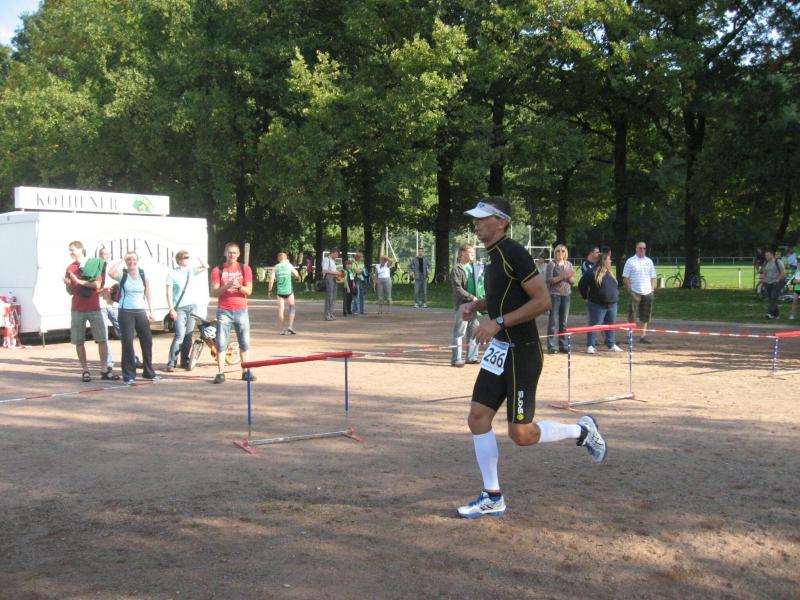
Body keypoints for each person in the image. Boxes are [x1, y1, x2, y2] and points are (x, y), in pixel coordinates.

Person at [456, 197, 607, 519]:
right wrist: (478, 305)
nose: (476, 223)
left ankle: (581, 431)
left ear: (501, 222)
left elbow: (542, 302)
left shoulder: (514, 253)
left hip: (522, 353)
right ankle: (492, 496)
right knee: (477, 418)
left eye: (482, 218)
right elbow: (506, 298)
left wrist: (497, 323)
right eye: (475, 218)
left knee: (521, 435)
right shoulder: (494, 255)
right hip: (500, 351)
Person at [64, 241, 117, 382]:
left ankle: (104, 370)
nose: (70, 252)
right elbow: (70, 291)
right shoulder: (70, 267)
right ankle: (85, 370)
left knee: (102, 339)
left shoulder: (93, 264)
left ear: (81, 250)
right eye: (70, 250)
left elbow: (97, 285)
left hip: (93, 306)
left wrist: (78, 281)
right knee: (79, 340)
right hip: (77, 308)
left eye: (72, 250)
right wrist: (68, 284)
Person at [108, 252, 158, 385]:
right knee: (128, 343)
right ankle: (129, 375)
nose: (131, 262)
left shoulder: (143, 273)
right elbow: (111, 272)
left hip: (140, 311)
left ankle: (148, 372)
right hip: (125, 311)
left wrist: (152, 311)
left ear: (137, 260)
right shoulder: (123, 274)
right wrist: (121, 259)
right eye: (129, 260)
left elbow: (148, 293)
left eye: (134, 259)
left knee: (147, 341)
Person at [210, 242, 254, 383]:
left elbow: (249, 291)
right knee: (221, 342)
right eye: (229, 252)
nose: (232, 255)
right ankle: (220, 373)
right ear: (225, 253)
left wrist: (239, 287)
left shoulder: (245, 269)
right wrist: (227, 286)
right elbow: (214, 292)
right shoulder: (218, 270)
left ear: (238, 254)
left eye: (234, 252)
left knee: (244, 342)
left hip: (241, 310)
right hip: (224, 310)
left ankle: (246, 371)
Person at [165, 250, 209, 371]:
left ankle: (185, 360)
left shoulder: (191, 271)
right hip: (180, 308)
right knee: (179, 335)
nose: (187, 259)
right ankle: (171, 362)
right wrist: (171, 309)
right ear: (179, 260)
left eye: (188, 257)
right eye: (185, 257)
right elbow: (168, 293)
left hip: (192, 307)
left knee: (188, 335)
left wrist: (197, 256)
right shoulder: (172, 274)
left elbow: (206, 266)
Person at [579, 250, 623, 353]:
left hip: (612, 305)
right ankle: (591, 345)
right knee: (594, 324)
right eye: (609, 259)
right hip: (597, 305)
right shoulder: (592, 272)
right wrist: (585, 297)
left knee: (611, 325)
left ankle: (611, 344)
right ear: (603, 261)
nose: (611, 261)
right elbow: (581, 285)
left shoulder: (609, 272)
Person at [451, 244, 480, 367]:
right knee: (459, 333)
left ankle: (471, 357)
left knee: (474, 331)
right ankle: (456, 359)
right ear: (462, 253)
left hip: (476, 304)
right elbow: (458, 289)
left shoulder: (476, 267)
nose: (473, 254)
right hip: (463, 305)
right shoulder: (456, 269)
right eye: (470, 252)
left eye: (473, 252)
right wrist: (472, 297)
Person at [622, 241, 657, 344]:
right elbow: (625, 277)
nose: (642, 250)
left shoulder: (649, 261)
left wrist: (652, 289)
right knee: (631, 315)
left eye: (644, 248)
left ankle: (643, 336)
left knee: (645, 315)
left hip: (647, 292)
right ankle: (629, 336)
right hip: (635, 291)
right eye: (640, 248)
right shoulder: (630, 261)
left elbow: (653, 277)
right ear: (636, 249)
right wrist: (630, 291)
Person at [545, 244, 575, 354]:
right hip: (555, 295)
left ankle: (563, 345)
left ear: (565, 253)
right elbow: (549, 280)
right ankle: (551, 346)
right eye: (558, 251)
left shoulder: (569, 264)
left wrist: (570, 277)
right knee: (553, 321)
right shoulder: (551, 264)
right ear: (555, 252)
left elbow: (572, 282)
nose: (560, 253)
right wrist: (562, 276)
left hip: (566, 295)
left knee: (564, 321)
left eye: (563, 251)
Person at [97, 246, 121, 372]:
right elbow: (91, 287)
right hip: (100, 305)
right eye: (103, 254)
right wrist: (102, 290)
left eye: (108, 254)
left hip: (114, 305)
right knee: (104, 335)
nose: (106, 256)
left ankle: (131, 358)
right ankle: (109, 361)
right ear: (99, 255)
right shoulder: (96, 268)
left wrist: (115, 290)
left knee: (124, 332)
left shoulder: (114, 268)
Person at [268, 252, 299, 334]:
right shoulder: (289, 266)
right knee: (292, 308)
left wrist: (270, 291)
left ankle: (282, 330)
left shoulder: (276, 267)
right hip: (289, 291)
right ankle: (290, 326)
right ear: (286, 258)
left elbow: (271, 280)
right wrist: (291, 267)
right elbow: (297, 275)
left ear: (278, 259)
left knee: (281, 310)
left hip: (280, 292)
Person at [762, 248, 785, 320]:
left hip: (776, 283)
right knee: (771, 299)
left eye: (767, 255)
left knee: (773, 298)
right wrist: (763, 280)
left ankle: (769, 313)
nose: (766, 256)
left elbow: (782, 273)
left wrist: (778, 280)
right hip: (768, 283)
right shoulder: (765, 263)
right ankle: (776, 315)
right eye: (765, 255)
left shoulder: (778, 262)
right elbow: (764, 272)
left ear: (772, 255)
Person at [322, 248, 341, 321]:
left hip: (334, 278)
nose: (337, 256)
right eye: (336, 254)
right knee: (329, 297)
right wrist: (336, 273)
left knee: (333, 297)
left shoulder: (333, 261)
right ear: (332, 253)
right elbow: (325, 270)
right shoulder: (326, 259)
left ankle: (331, 313)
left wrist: (337, 273)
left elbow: (332, 270)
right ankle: (327, 315)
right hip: (329, 278)